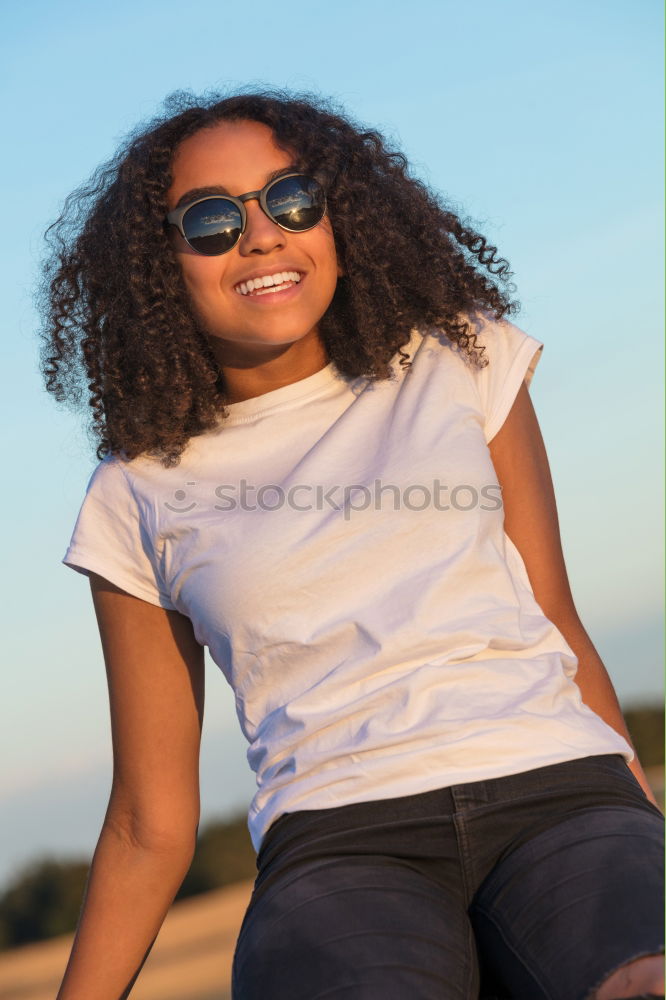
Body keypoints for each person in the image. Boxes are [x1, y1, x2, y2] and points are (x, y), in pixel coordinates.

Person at [40, 88, 664, 1000]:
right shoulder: (135, 491)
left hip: (556, 788)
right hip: (339, 843)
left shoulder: (462, 359)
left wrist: (638, 837)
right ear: (156, 267)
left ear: (338, 218)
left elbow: (555, 619)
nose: (260, 236)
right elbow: (148, 818)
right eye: (211, 221)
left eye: (290, 199)